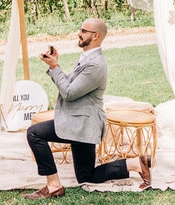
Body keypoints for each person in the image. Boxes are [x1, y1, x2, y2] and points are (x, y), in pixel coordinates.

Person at [24, 18, 151, 199]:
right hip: (78, 121)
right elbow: (70, 85)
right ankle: (136, 163)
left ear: (96, 35)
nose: (79, 33)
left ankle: (53, 186)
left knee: (34, 133)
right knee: (86, 176)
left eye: (84, 31)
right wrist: (55, 65)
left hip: (82, 124)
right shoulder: (88, 58)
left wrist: (55, 67)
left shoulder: (96, 64)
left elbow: (68, 92)